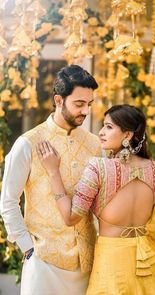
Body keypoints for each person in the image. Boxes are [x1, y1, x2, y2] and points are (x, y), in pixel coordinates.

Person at [37, 104, 155, 295]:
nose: (101, 132)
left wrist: (53, 172)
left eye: (109, 127)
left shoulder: (99, 168)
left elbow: (70, 217)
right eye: (103, 126)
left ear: (127, 135)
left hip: (112, 269)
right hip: (153, 266)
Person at [0, 65, 102, 295]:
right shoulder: (28, 143)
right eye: (78, 104)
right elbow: (8, 202)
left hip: (87, 264)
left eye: (89, 104)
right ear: (58, 100)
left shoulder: (95, 145)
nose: (85, 111)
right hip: (43, 264)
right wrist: (27, 248)